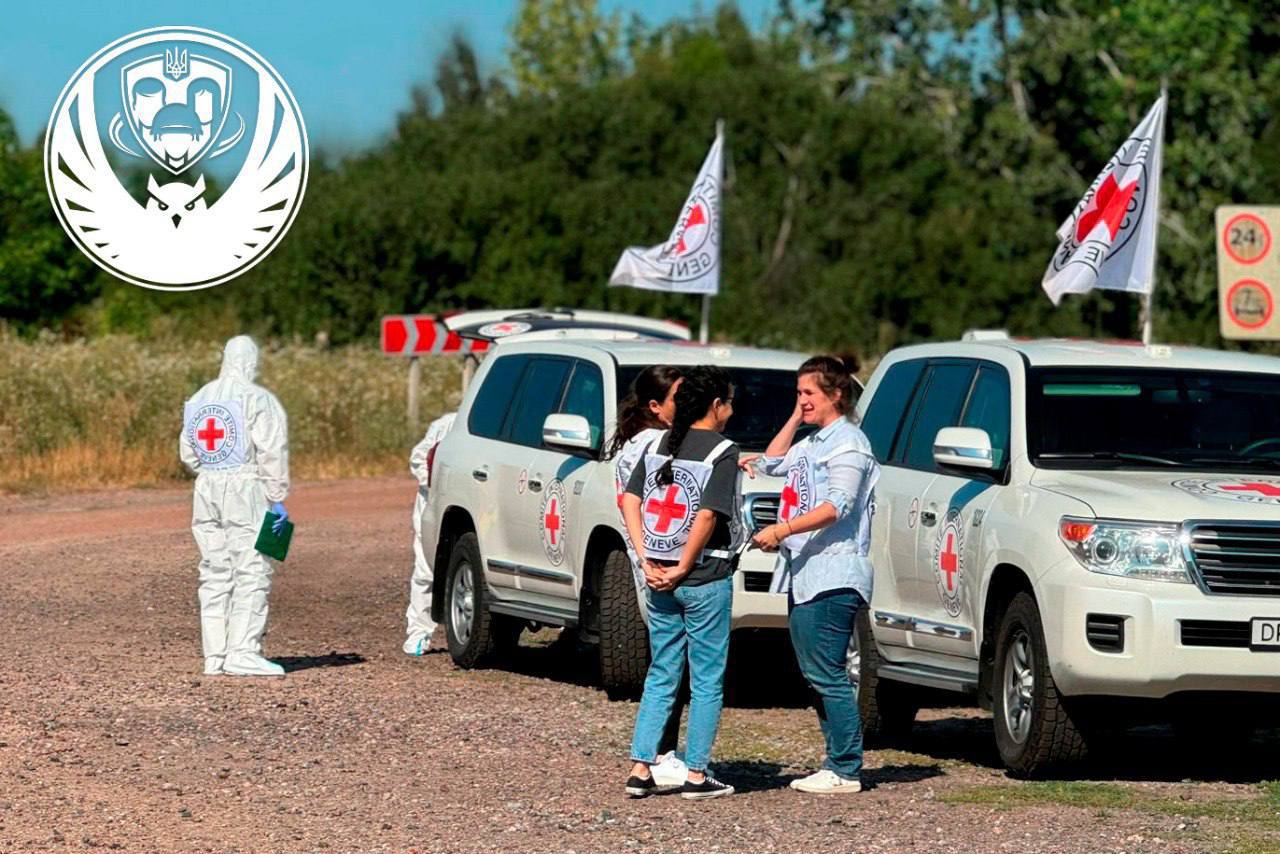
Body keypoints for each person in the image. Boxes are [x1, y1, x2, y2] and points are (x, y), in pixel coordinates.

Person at [746, 355, 879, 794]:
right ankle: (835, 761)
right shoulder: (814, 442)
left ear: (836, 395)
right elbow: (770, 462)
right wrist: (796, 414)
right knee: (815, 672)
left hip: (834, 571)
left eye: (809, 393)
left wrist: (781, 529)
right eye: (798, 393)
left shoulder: (849, 445)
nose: (801, 401)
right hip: (805, 572)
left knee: (827, 672)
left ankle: (845, 766)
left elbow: (837, 504)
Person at [620, 365, 740, 800]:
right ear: (715, 405)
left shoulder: (657, 443)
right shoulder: (723, 450)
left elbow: (631, 499)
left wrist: (645, 556)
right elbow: (707, 515)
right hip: (703, 576)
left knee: (662, 671)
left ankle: (640, 767)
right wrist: (685, 566)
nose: (731, 408)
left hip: (659, 575)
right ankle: (695, 774)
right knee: (706, 679)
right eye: (728, 401)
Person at [180, 335, 291, 677]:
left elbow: (188, 453)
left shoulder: (199, 399)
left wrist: (213, 474)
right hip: (245, 487)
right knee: (252, 568)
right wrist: (277, 495)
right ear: (251, 361)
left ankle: (215, 655)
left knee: (214, 570)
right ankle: (243, 651)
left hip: (206, 488)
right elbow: (272, 450)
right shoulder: (257, 399)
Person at [606, 366, 687, 789]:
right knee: (672, 662)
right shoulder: (659, 444)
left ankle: (655, 755)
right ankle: (658, 756)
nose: (688, 406)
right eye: (679, 398)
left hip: (647, 561)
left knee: (667, 659)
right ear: (655, 406)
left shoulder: (633, 445)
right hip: (663, 564)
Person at [404, 411, 458, 655]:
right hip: (432, 505)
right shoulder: (447, 425)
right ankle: (418, 633)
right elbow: (419, 458)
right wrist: (436, 487)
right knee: (426, 570)